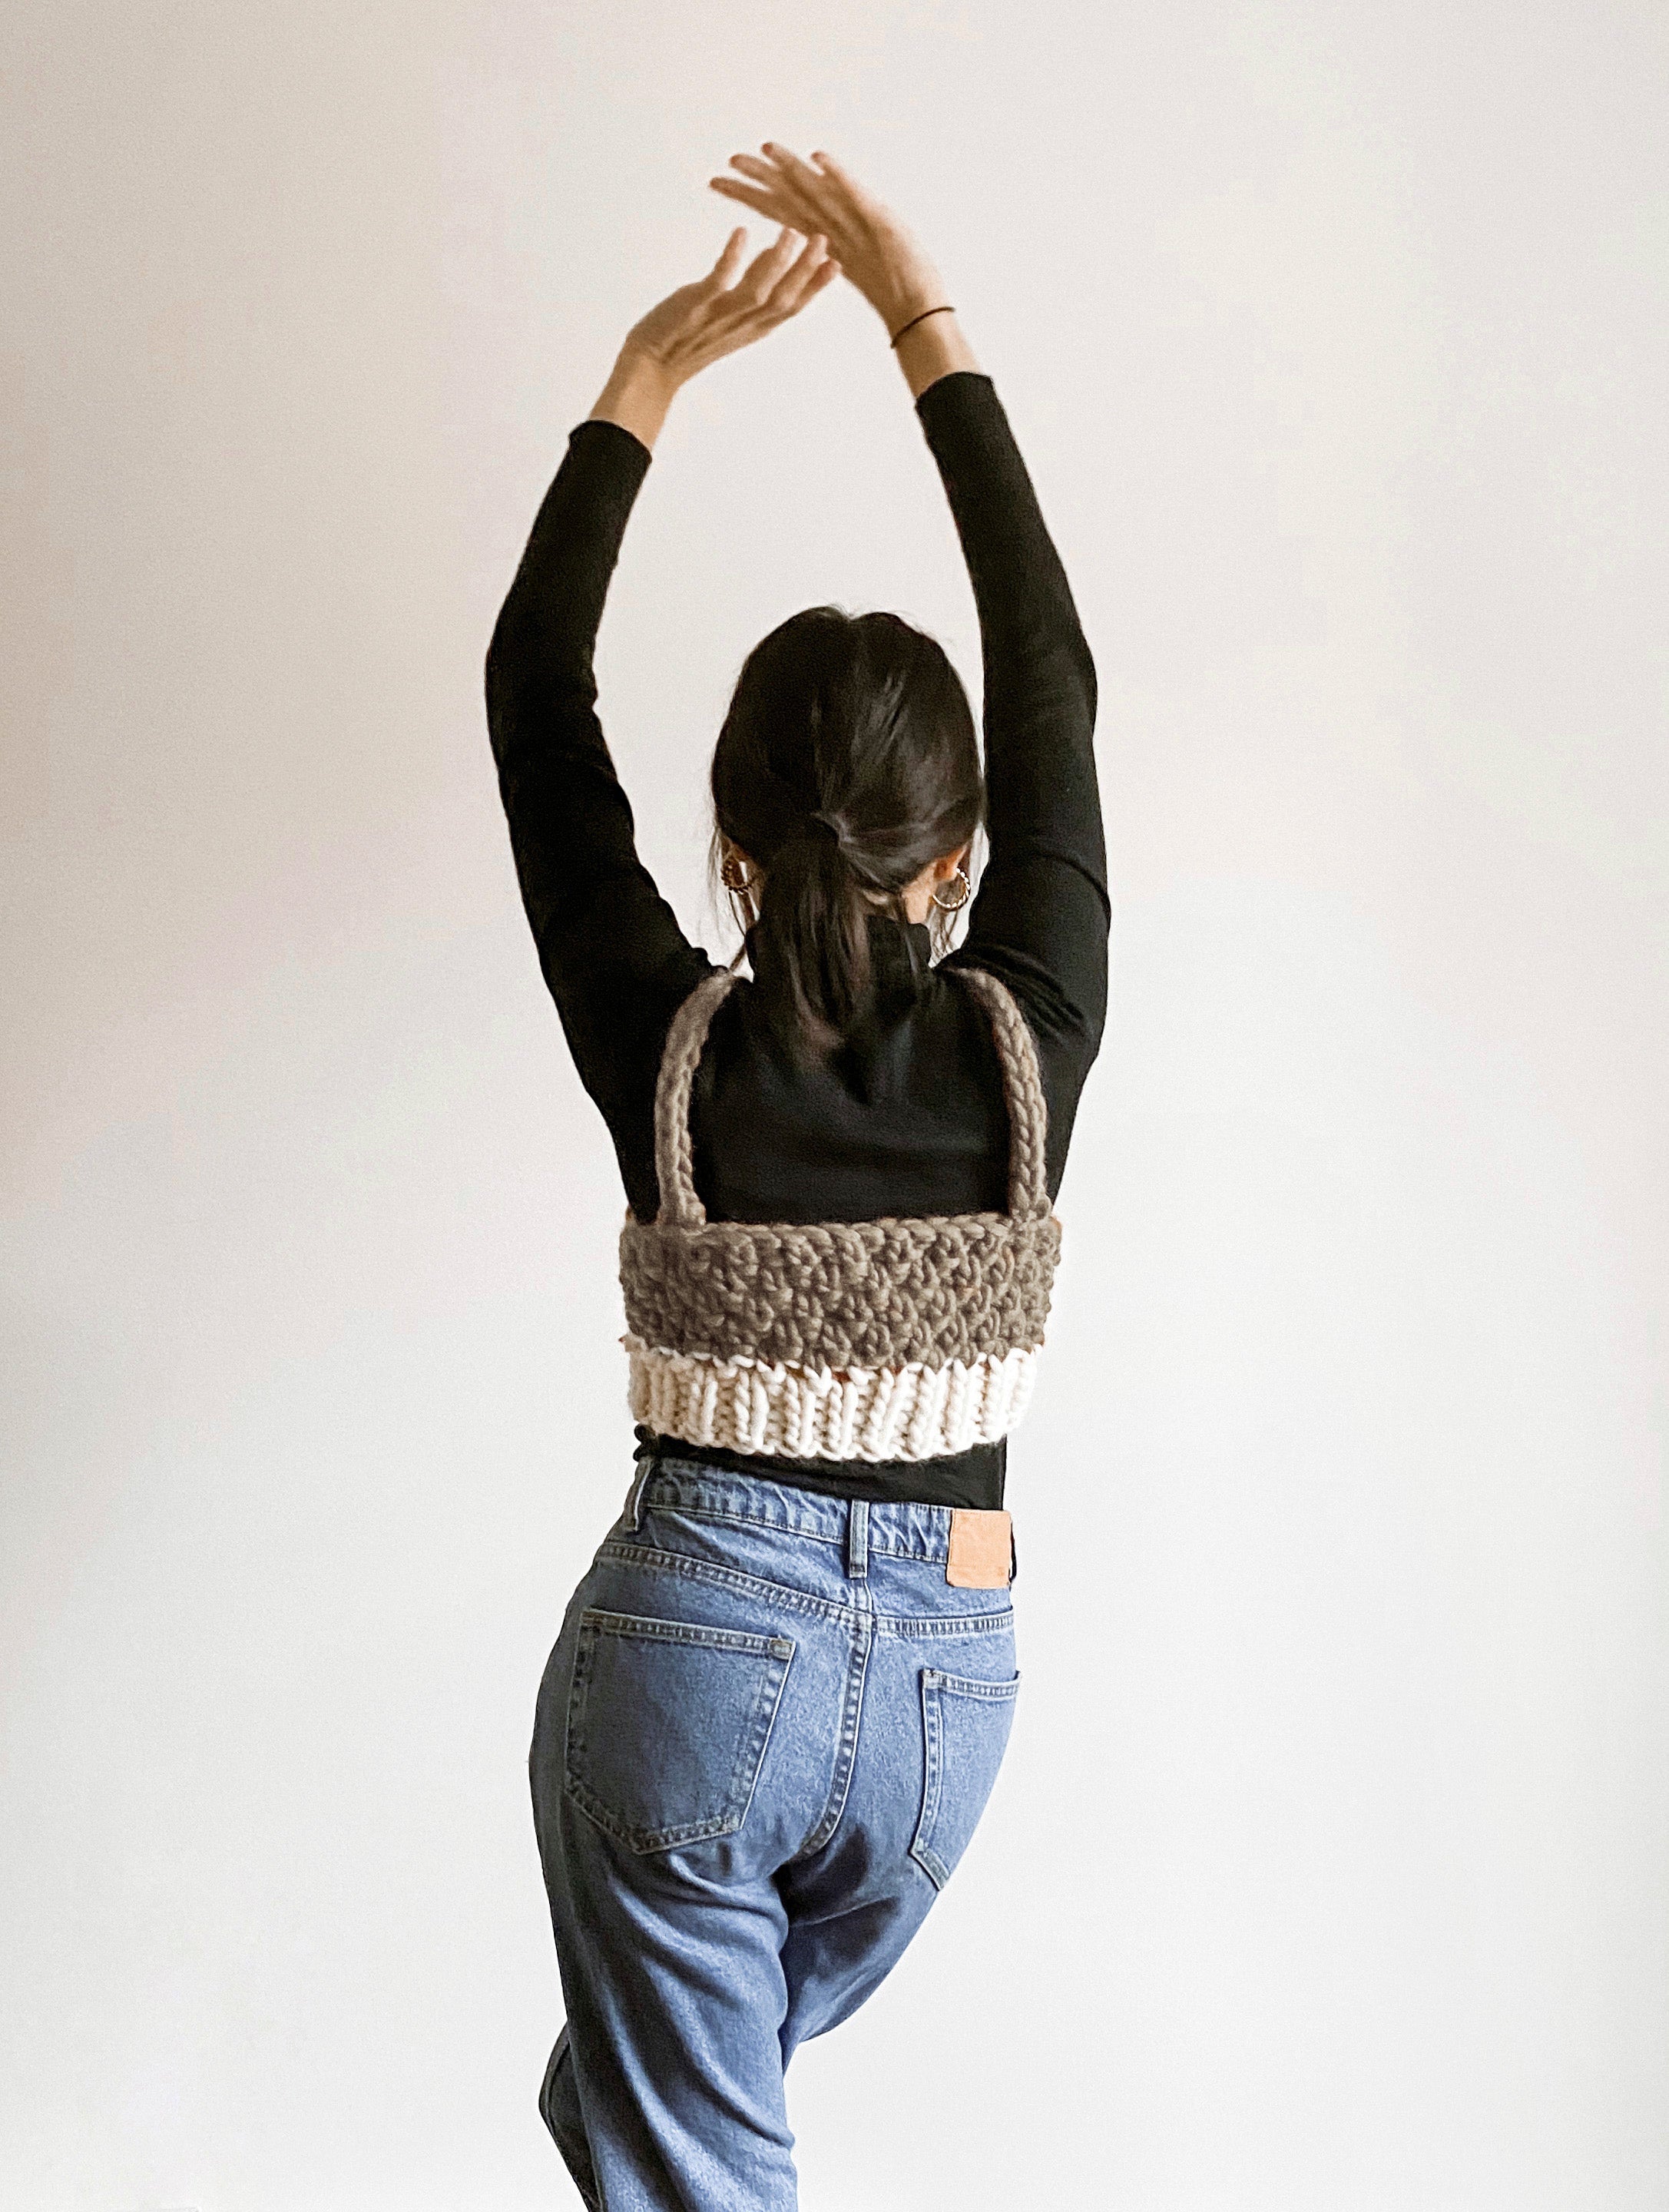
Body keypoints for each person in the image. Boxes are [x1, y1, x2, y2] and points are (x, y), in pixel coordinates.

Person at [485, 140, 1108, 2212]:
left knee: (680, 2139)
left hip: (693, 1651)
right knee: (677, 2124)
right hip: (951, 1682)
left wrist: (647, 378)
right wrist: (925, 326)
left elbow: (533, 690)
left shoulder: (667, 1047)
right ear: (966, 854)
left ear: (732, 853)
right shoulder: (1030, 1040)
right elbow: (1051, 671)